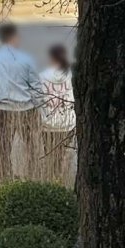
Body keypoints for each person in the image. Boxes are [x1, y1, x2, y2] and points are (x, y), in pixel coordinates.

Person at [0, 22, 43, 180]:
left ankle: (5, 179)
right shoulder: (26, 59)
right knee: (31, 147)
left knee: (3, 148)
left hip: (2, 110)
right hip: (26, 108)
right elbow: (35, 86)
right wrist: (38, 105)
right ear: (14, 38)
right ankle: (32, 177)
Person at [39, 44, 76, 180]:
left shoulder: (42, 77)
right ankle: (61, 179)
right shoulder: (72, 76)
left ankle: (52, 180)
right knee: (64, 156)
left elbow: (36, 99)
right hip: (67, 123)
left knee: (51, 157)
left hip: (48, 125)